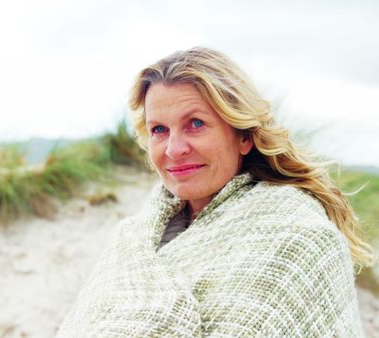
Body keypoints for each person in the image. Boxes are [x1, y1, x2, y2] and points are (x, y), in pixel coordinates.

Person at [57, 47, 374, 337]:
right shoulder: (131, 238)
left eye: (195, 123)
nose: (174, 149)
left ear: (244, 137)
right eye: (159, 130)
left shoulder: (301, 238)